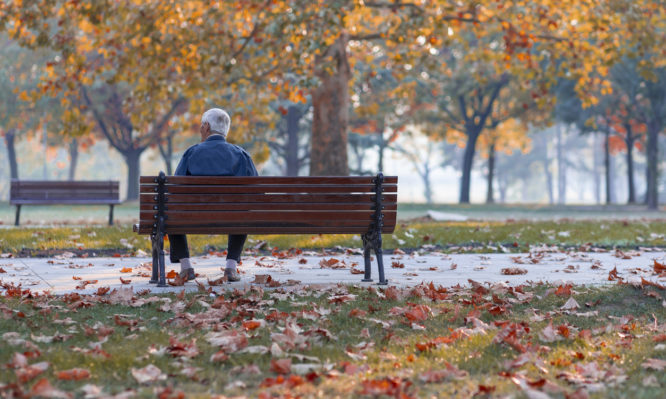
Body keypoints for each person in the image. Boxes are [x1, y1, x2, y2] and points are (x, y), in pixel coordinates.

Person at [168, 108, 258, 282]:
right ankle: (231, 267)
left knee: (170, 212)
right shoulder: (241, 155)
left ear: (207, 127)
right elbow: (257, 193)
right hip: (233, 217)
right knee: (242, 212)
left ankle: (186, 267)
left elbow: (174, 191)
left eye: (202, 126)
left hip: (192, 218)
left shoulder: (191, 153)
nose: (201, 129)